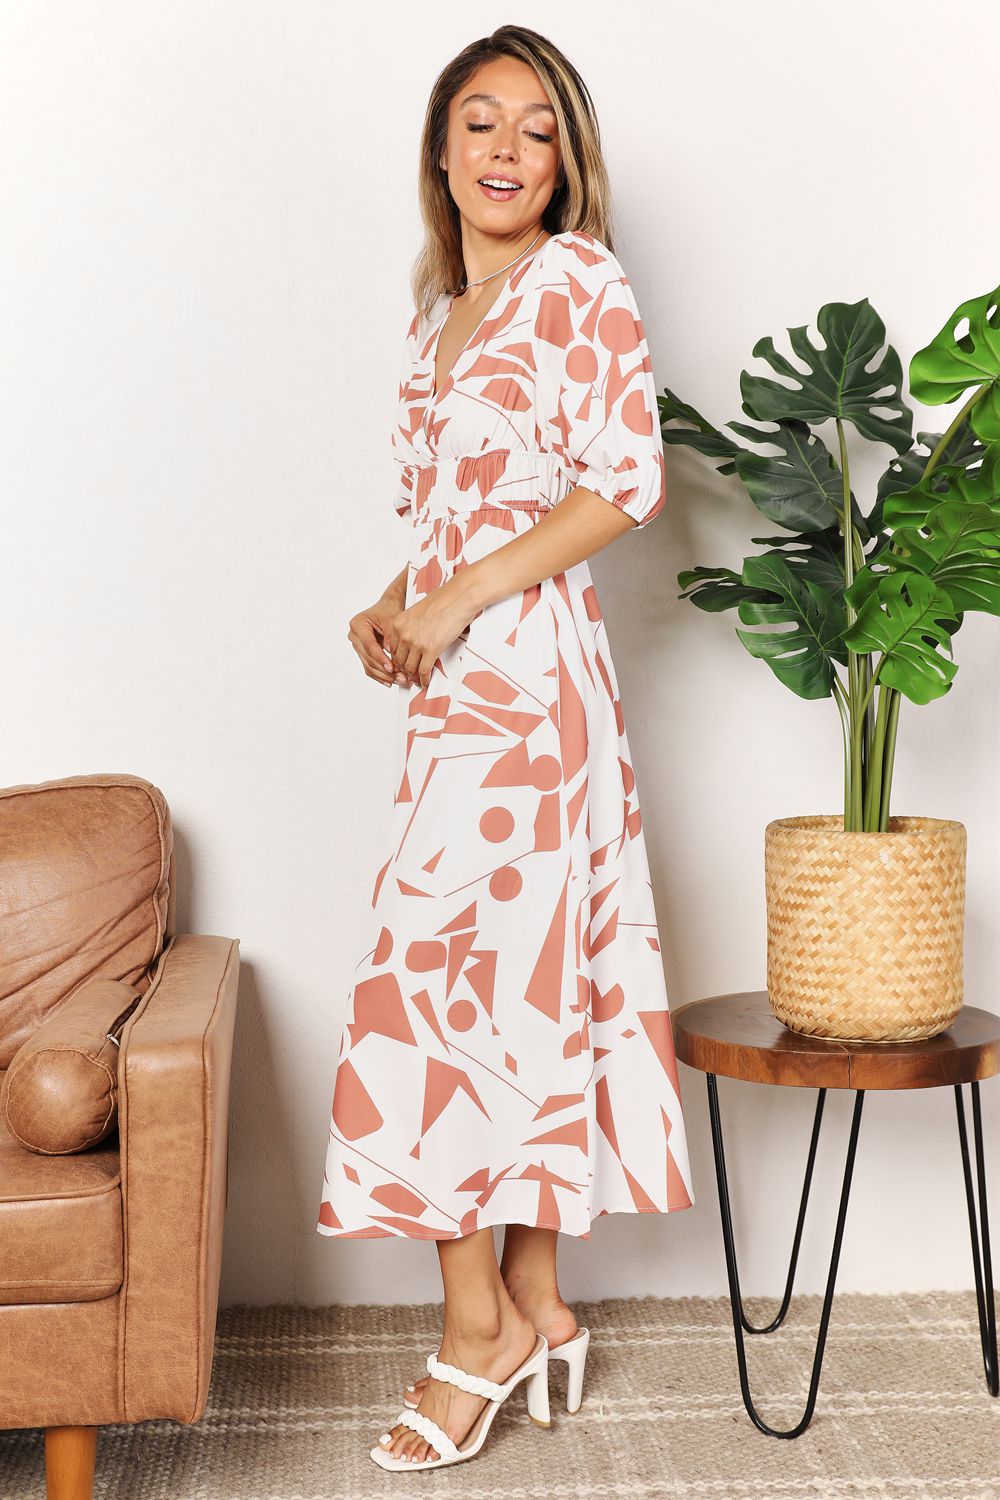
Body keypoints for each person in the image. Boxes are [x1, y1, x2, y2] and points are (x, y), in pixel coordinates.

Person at [317, 23, 695, 1472]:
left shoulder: (578, 281)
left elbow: (628, 480)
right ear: (439, 149)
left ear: (565, 161)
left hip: (530, 688)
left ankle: (476, 1328)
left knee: (442, 997)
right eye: (478, 123)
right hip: (458, 691)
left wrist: (465, 597)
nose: (502, 151)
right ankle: (533, 1298)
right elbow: (452, 521)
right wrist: (397, 600)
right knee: (495, 986)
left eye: (535, 130)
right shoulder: (439, 314)